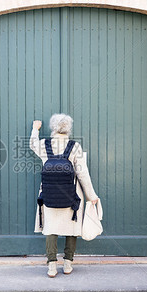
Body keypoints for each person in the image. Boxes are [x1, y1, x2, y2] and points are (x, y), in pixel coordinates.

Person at [30, 114, 99, 278]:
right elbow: (83, 174)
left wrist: (35, 129)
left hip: (49, 194)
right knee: (72, 229)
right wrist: (91, 195)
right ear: (68, 128)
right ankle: (67, 264)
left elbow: (32, 144)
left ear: (53, 128)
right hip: (72, 194)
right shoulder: (74, 146)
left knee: (51, 229)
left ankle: (51, 266)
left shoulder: (44, 144)